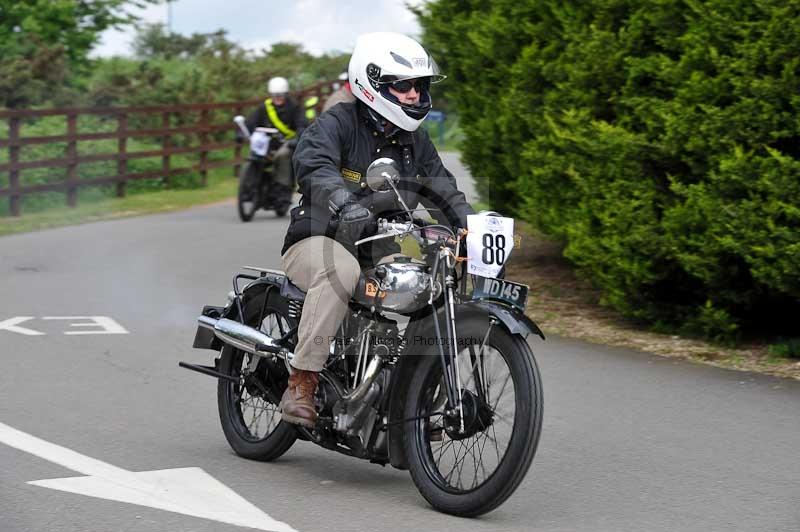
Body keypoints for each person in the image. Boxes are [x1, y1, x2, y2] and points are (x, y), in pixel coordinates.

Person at [278, 32, 474, 427]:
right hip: (320, 238)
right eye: (404, 86)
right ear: (373, 84)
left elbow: (442, 188)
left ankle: (413, 389)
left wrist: (475, 228)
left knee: (430, 281)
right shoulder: (338, 123)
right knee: (342, 273)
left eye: (419, 86)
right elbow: (313, 166)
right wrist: (343, 203)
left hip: (379, 244)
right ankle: (302, 379)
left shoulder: (414, 141)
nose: (415, 95)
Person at [244, 76, 307, 199]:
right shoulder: (264, 107)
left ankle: (282, 189)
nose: (277, 98)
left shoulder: (294, 108)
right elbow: (251, 122)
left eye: (281, 95)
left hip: (286, 143)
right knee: (254, 154)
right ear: (270, 94)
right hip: (267, 142)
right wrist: (241, 134)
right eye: (274, 95)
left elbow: (302, 125)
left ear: (286, 94)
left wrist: (297, 139)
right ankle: (249, 186)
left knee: (282, 155)